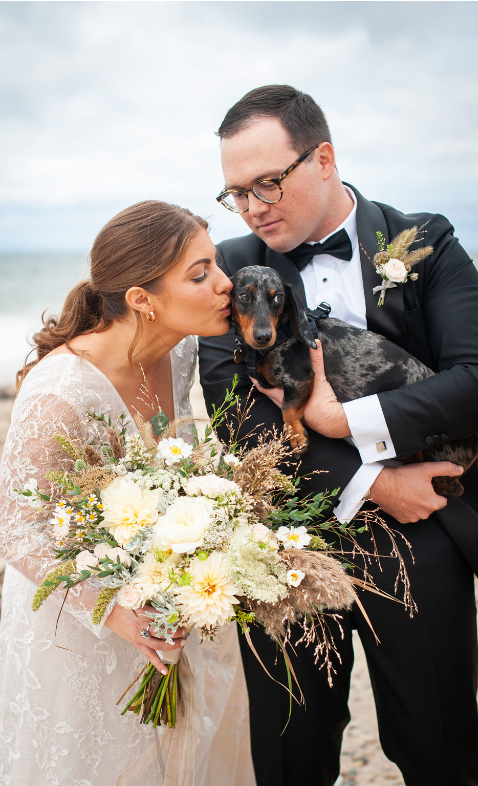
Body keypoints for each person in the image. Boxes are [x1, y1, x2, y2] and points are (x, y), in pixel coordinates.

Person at [198, 85, 478, 786]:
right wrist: (374, 481)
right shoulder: (228, 272)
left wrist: (339, 420)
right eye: (235, 192)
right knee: (289, 752)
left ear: (322, 159)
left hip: (424, 530)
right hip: (285, 540)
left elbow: (473, 378)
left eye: (268, 182)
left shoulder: (425, 242)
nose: (253, 206)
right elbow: (238, 417)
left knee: (439, 747)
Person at [0, 201, 256, 786]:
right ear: (142, 299)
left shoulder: (180, 350)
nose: (224, 285)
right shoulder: (59, 392)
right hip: (81, 619)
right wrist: (116, 610)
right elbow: (16, 530)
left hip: (164, 599)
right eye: (199, 274)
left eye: (215, 264)